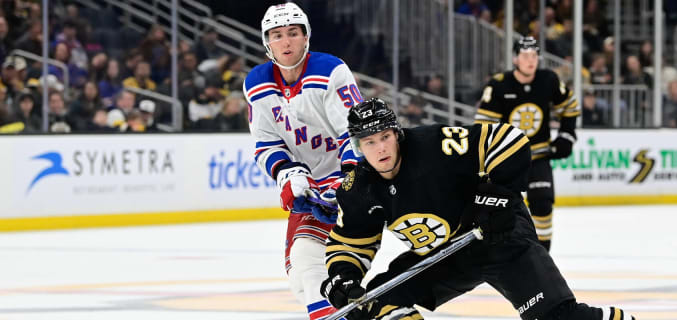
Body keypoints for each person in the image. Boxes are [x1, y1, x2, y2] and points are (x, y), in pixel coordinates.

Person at [321, 98, 635, 320]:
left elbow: (508, 140)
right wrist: (343, 277)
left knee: (557, 317)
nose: (381, 148)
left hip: (501, 240)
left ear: (397, 134)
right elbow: (349, 242)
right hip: (450, 256)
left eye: (385, 137)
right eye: (370, 142)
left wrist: (494, 198)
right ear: (358, 146)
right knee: (374, 303)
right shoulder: (357, 188)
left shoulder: (433, 146)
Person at [241, 3, 362, 320]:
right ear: (267, 42)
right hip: (315, 189)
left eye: (293, 33)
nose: (286, 42)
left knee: (306, 259)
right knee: (298, 273)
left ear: (306, 37)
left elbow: (356, 132)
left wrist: (349, 182)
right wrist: (288, 173)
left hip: (356, 181)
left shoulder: (330, 71)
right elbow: (266, 143)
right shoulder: (256, 83)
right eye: (277, 35)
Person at [474, 36, 579, 251]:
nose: (531, 60)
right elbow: (483, 126)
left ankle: (542, 253)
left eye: (534, 56)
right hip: (507, 159)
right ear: (515, 59)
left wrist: (566, 135)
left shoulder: (548, 79)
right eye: (525, 56)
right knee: (502, 208)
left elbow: (570, 106)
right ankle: (504, 252)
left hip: (538, 156)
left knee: (542, 202)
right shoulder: (499, 84)